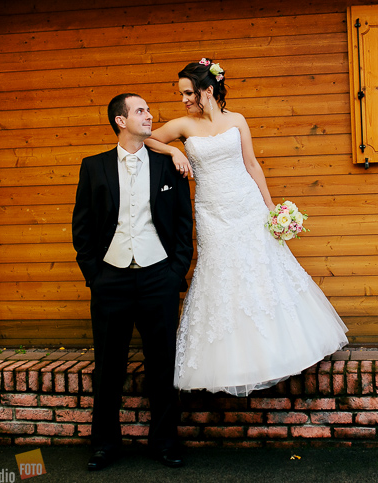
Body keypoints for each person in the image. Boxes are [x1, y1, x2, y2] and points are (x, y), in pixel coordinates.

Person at [145, 58, 348, 396]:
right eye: (181, 94)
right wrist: (173, 151)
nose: (183, 99)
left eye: (188, 93)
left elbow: (251, 164)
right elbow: (146, 138)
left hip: (247, 205)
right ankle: (232, 362)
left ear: (207, 91)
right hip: (212, 212)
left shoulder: (237, 120)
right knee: (221, 275)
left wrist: (270, 208)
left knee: (262, 270)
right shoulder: (182, 125)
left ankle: (278, 351)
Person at [72, 93, 194, 470]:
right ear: (121, 121)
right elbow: (82, 227)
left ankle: (165, 442)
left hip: (159, 277)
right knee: (109, 367)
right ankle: (105, 444)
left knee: (162, 364)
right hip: (111, 279)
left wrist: (175, 271)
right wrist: (95, 275)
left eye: (148, 110)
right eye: (140, 110)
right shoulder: (93, 167)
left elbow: (183, 224)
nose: (149, 115)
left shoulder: (168, 165)